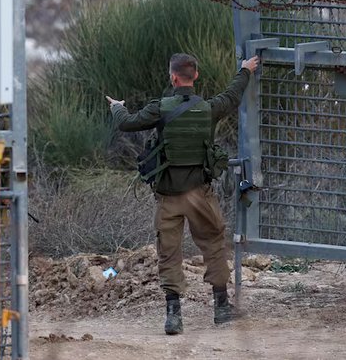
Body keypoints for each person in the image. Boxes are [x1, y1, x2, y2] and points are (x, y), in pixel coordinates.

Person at [106, 52, 260, 335]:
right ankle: (222, 307)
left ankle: (173, 315)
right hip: (200, 195)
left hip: (168, 196)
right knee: (214, 244)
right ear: (196, 76)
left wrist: (117, 106)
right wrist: (245, 70)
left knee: (169, 253)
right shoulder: (209, 108)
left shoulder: (160, 108)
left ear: (173, 77)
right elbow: (232, 96)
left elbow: (126, 122)